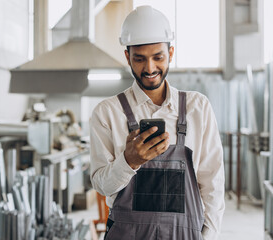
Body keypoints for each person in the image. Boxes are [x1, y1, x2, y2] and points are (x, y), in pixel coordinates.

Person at [90, 5, 225, 240]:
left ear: (170, 53)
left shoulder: (197, 108)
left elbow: (212, 183)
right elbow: (102, 185)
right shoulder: (107, 113)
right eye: (140, 59)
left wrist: (208, 236)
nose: (150, 68)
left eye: (158, 57)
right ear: (127, 57)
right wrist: (129, 161)